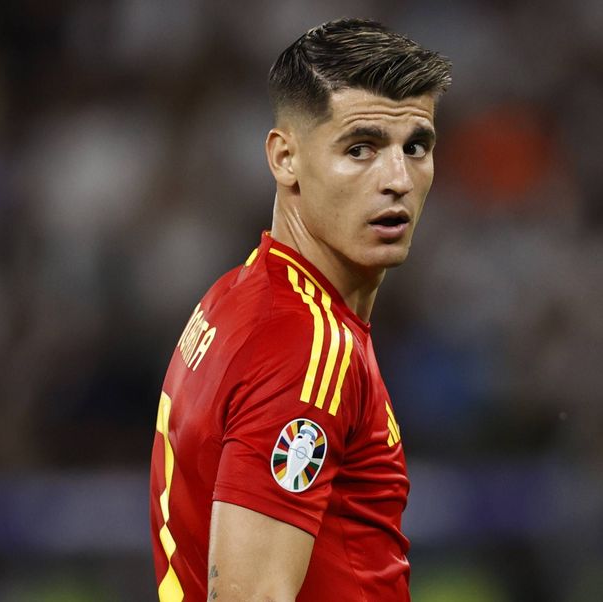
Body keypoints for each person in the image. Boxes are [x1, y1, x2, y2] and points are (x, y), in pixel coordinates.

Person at [149, 18, 452, 601]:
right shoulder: (304, 346)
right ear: (285, 158)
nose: (397, 179)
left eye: (416, 147)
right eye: (360, 148)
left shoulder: (241, 295)